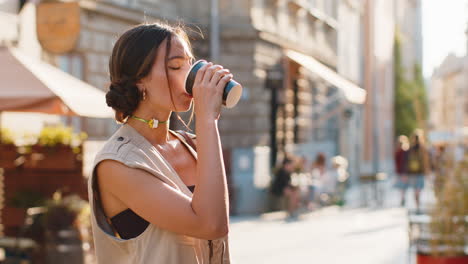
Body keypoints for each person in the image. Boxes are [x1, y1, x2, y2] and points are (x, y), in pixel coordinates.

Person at [89, 23, 232, 263]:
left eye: (189, 64)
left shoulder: (194, 146)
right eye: (175, 66)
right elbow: (211, 225)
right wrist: (207, 119)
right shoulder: (117, 163)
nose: (188, 75)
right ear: (139, 81)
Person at [406, 130, 430, 213]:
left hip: (412, 173)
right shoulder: (423, 148)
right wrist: (427, 171)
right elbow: (426, 161)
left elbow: (407, 161)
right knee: (418, 189)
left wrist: (407, 172)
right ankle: (418, 204)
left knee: (414, 189)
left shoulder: (410, 148)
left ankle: (417, 204)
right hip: (420, 172)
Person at [394, 135, 410, 206]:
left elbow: (397, 162)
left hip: (401, 171)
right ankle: (403, 197)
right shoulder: (405, 152)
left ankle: (402, 197)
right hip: (404, 171)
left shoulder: (398, 151)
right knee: (403, 186)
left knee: (402, 186)